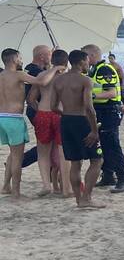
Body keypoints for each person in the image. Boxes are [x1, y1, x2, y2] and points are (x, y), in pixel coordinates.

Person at [0, 48, 59, 199]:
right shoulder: (18, 74)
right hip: (14, 119)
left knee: (13, 154)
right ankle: (16, 193)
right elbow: (41, 81)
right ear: (14, 60)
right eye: (20, 57)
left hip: (2, 118)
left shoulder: (1, 75)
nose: (21, 60)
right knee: (18, 158)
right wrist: (55, 68)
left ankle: (6, 186)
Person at [52, 50, 104, 208]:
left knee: (75, 163)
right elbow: (89, 108)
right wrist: (94, 130)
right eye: (87, 61)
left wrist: (66, 115)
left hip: (66, 120)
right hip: (82, 121)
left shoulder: (58, 81)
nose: (88, 64)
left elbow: (53, 106)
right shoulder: (85, 80)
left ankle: (78, 199)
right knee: (96, 160)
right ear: (81, 62)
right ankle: (86, 198)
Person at [84, 44, 124, 192]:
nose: (83, 60)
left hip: (109, 110)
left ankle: (123, 178)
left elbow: (111, 93)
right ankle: (108, 175)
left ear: (91, 56)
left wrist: (90, 96)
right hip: (100, 110)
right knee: (103, 144)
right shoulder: (93, 70)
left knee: (112, 144)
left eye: (84, 56)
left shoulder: (104, 69)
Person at [27, 49, 73, 196]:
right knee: (64, 153)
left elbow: (31, 99)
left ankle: (47, 185)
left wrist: (39, 109)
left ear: (52, 60)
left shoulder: (42, 75)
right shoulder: (69, 77)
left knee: (43, 153)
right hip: (61, 114)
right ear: (66, 63)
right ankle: (66, 188)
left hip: (43, 113)